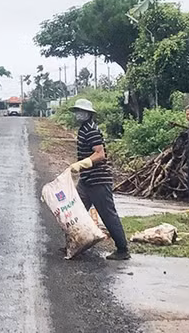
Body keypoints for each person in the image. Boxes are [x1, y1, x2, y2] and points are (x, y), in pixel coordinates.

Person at [69, 98, 130, 261]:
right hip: (87, 179)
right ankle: (76, 244)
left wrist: (83, 163)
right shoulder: (83, 129)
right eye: (77, 112)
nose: (78, 115)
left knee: (107, 214)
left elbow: (100, 154)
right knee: (76, 211)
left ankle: (122, 249)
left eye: (81, 112)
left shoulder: (91, 130)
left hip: (98, 180)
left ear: (89, 114)